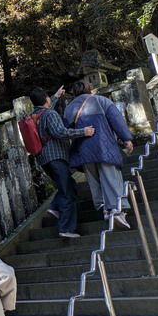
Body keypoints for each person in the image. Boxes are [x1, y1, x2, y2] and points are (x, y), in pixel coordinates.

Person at [64, 80, 134, 228]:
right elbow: (116, 120)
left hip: (82, 151)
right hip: (104, 147)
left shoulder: (69, 108)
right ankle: (116, 210)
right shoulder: (101, 100)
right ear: (89, 89)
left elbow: (64, 129)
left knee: (94, 181)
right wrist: (126, 139)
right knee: (111, 178)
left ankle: (104, 210)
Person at [29, 86, 95, 238]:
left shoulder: (34, 115)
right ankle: (65, 228)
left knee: (69, 186)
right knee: (67, 192)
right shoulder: (50, 113)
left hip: (44, 159)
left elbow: (45, 107)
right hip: (56, 157)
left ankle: (54, 207)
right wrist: (83, 132)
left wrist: (56, 96)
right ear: (46, 99)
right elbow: (60, 132)